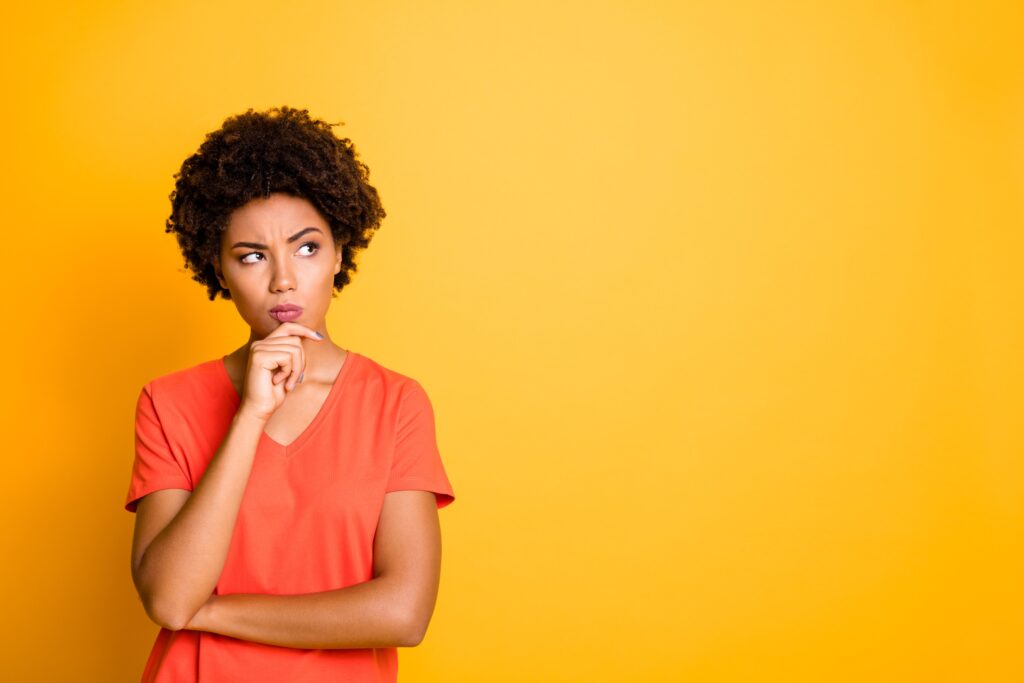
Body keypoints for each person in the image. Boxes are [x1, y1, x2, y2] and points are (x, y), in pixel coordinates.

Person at [124, 106, 455, 682]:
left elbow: (404, 614)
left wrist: (211, 613)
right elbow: (170, 597)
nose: (282, 279)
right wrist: (251, 413)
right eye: (252, 256)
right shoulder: (168, 401)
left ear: (339, 254)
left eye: (306, 248)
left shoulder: (396, 403)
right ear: (218, 269)